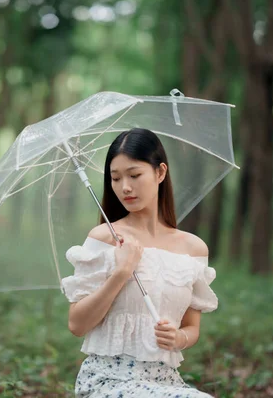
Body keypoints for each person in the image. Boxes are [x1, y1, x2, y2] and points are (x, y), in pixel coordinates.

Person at [61, 128, 218, 397]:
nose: (125, 187)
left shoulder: (193, 249)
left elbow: (192, 327)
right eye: (115, 178)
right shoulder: (104, 239)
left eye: (134, 175)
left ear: (160, 173)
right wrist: (121, 272)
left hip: (166, 381)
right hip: (107, 380)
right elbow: (77, 324)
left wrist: (179, 338)